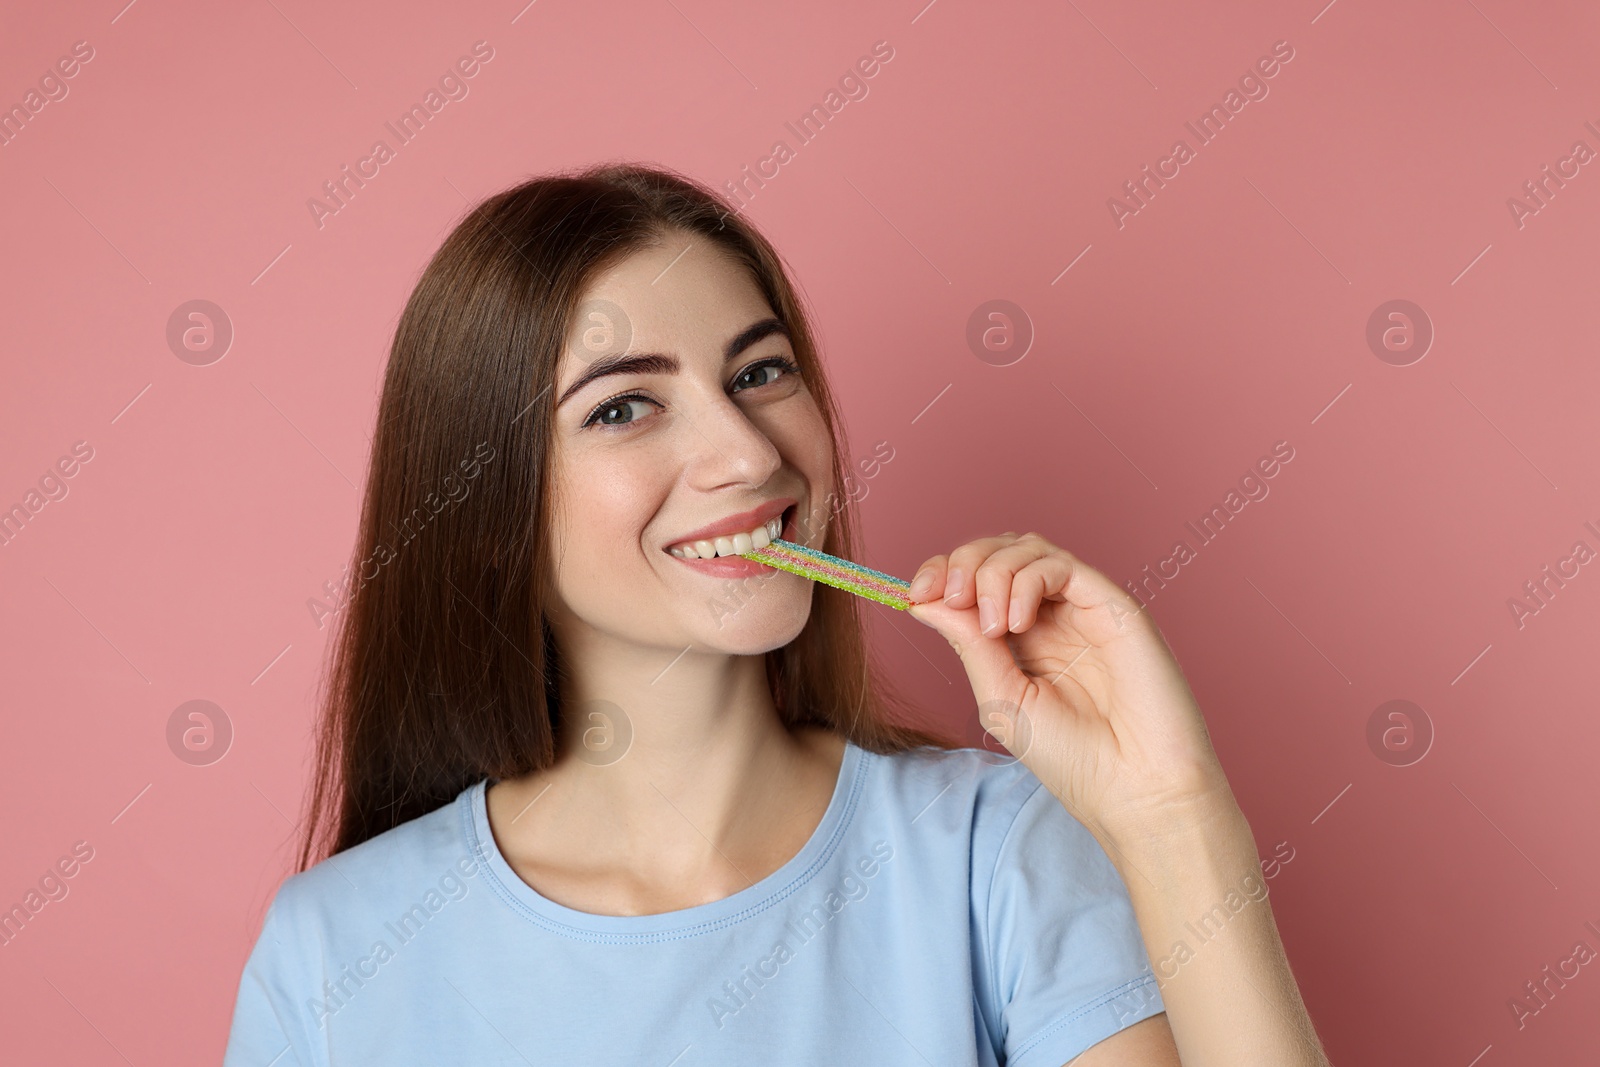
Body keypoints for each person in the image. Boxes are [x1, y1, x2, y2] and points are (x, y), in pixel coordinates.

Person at [222, 162, 1331, 1065]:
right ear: (483, 496)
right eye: (624, 406)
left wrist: (1171, 813)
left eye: (759, 373)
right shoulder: (334, 952)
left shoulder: (992, 852)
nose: (749, 452)